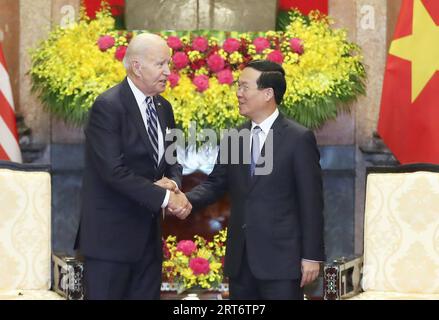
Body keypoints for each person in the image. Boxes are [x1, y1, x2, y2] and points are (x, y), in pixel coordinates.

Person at [184, 60, 325, 300]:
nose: (238, 94)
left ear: (268, 93)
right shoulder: (234, 137)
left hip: (282, 262)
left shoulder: (298, 138)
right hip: (241, 262)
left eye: (244, 87)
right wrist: (180, 198)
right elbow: (215, 184)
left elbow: (311, 202)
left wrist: (311, 256)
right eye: (238, 87)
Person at [75, 33, 192, 300]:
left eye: (169, 64)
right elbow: (113, 172)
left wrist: (173, 184)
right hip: (110, 243)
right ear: (137, 66)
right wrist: (165, 198)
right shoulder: (108, 106)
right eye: (161, 64)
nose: (168, 72)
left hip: (148, 243)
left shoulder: (164, 107)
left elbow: (173, 159)